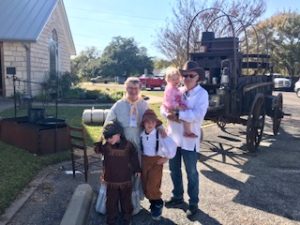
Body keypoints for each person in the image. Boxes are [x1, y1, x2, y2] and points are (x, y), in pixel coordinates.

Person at [161, 60, 209, 218]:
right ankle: (177, 197)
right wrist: (167, 114)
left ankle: (193, 203)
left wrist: (178, 115)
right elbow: (164, 105)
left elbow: (197, 115)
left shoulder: (202, 94)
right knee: (174, 171)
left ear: (198, 78)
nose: (187, 78)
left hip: (189, 141)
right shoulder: (178, 90)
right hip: (174, 139)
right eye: (185, 75)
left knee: (191, 173)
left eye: (191, 75)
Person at [95, 121, 141, 225]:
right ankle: (111, 220)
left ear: (119, 134)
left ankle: (127, 219)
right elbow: (97, 150)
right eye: (107, 138)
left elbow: (134, 157)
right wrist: (101, 139)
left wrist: (137, 169)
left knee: (126, 202)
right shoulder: (106, 146)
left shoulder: (129, 145)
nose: (109, 140)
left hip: (125, 179)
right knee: (111, 202)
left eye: (111, 137)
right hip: (111, 180)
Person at [140, 109, 177, 220]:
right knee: (145, 185)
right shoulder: (141, 134)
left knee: (153, 185)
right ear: (143, 124)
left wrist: (166, 158)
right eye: (147, 122)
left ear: (156, 123)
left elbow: (172, 146)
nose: (150, 124)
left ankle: (158, 204)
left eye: (152, 122)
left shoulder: (160, 134)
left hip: (156, 162)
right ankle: (153, 202)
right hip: (145, 162)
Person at [163, 67, 197, 138]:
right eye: (173, 79)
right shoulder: (170, 89)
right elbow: (169, 100)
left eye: (177, 79)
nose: (176, 81)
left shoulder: (176, 88)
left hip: (175, 106)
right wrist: (177, 106)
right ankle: (187, 132)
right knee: (183, 117)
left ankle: (187, 131)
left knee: (185, 117)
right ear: (168, 80)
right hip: (172, 106)